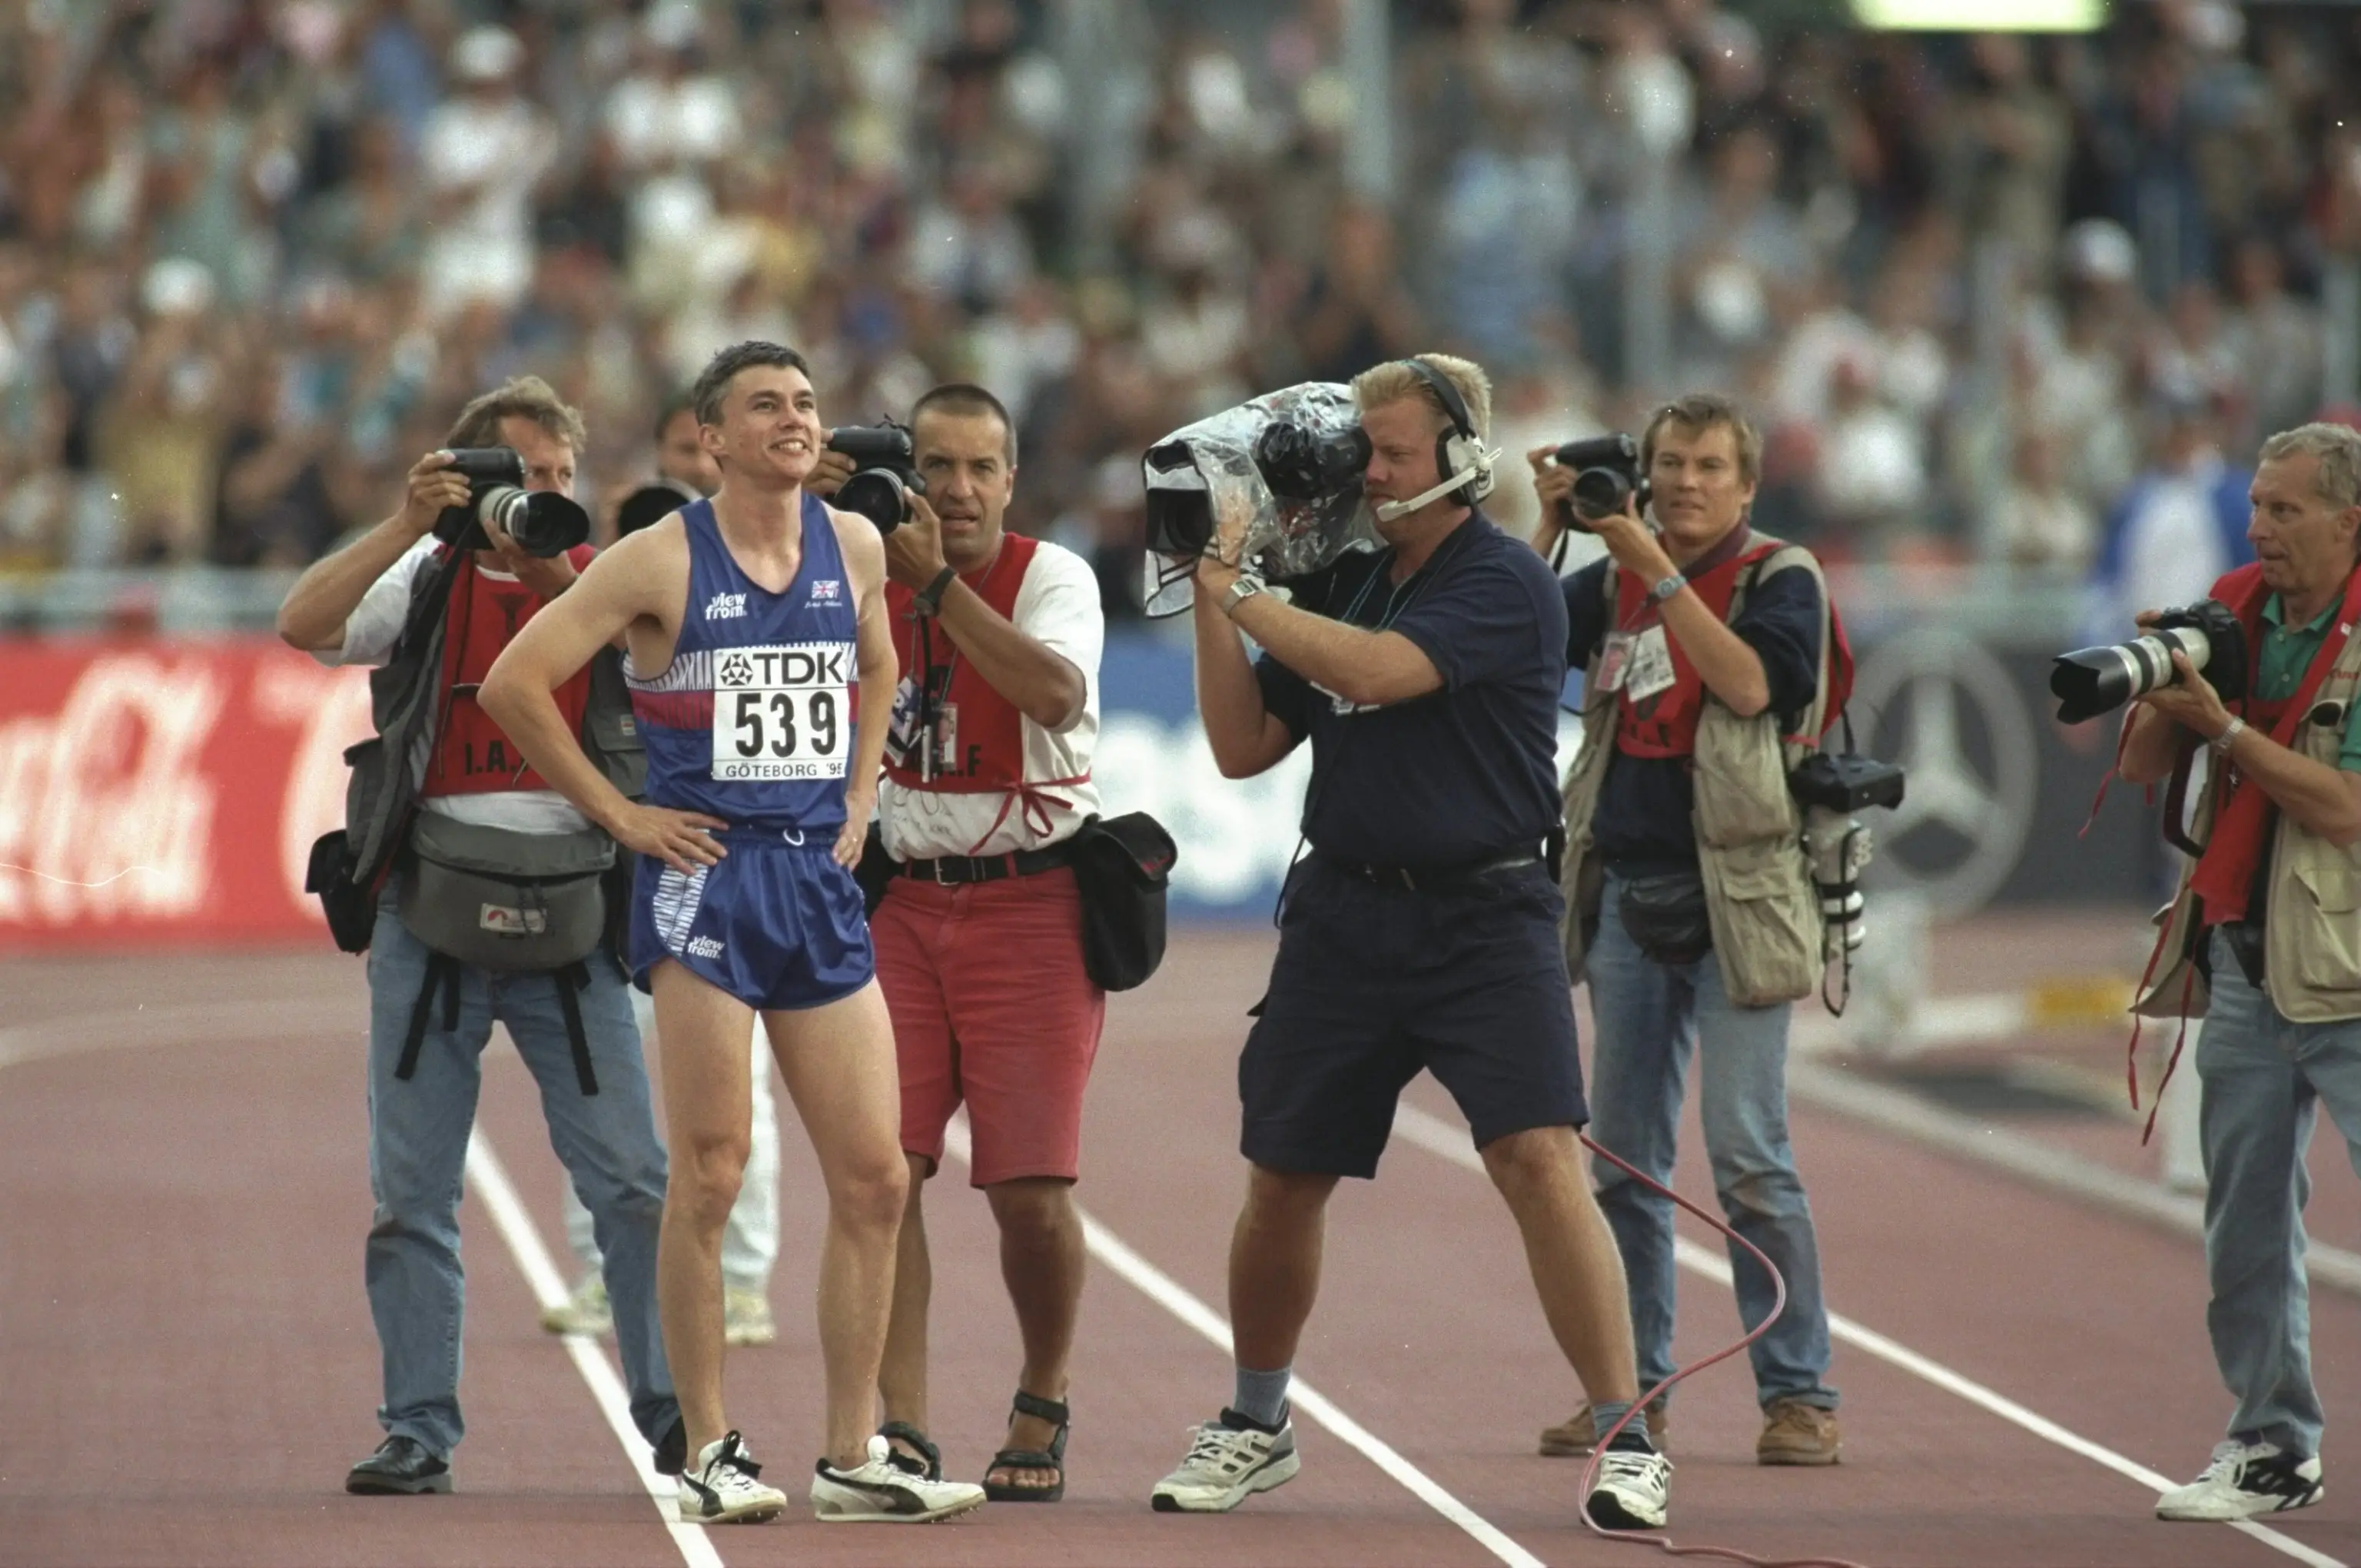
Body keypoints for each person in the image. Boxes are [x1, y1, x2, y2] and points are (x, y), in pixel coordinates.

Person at [478, 341, 985, 1526]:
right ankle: (709, 1446)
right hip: (706, 884)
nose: (798, 419)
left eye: (808, 402)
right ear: (712, 436)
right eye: (768, 405)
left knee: (874, 1179)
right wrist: (621, 817)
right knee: (710, 1173)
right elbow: (516, 681)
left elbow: (877, 660)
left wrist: (863, 796)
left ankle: (853, 1452)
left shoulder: (854, 543)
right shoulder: (659, 558)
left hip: (815, 880)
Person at [1161, 353, 1672, 1530]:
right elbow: (1241, 750)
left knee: (1539, 1159)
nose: (1366, 471)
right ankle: (1255, 1418)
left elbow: (1385, 676)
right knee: (1283, 1174)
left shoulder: (1502, 580)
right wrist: (1208, 589)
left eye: (1389, 452)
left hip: (1484, 914)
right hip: (1342, 910)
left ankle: (1627, 1432)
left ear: (1459, 458)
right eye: (1363, 450)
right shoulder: (1341, 579)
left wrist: (1245, 593)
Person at [274, 376, 682, 1495]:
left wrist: (545, 556)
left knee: (635, 1185)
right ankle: (418, 1426)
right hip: (428, 910)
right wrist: (416, 522)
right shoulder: (425, 574)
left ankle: (674, 1417)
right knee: (411, 1192)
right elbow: (304, 624)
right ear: (463, 479)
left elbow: (617, 655)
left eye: (558, 479)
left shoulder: (608, 587)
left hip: (577, 914)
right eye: (516, 480)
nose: (540, 499)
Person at [1531, 394, 1845, 1468]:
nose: (1684, 484)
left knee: (1751, 1155)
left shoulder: (1778, 576)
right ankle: (1635, 1394)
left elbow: (1754, 685)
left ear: (1747, 486)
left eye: (1710, 466)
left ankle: (1800, 1394)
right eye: (1668, 463)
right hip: (1626, 890)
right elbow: (1517, 631)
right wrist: (1548, 523)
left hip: (1743, 895)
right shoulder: (1611, 571)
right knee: (1620, 1161)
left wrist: (1651, 567)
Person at [823, 384, 1106, 1501]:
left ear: (1012, 479)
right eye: (935, 466)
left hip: (1031, 904)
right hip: (898, 905)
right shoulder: (845, 564)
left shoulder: (1053, 577)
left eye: (982, 468)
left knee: (1028, 1191)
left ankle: (1044, 1389)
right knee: (882, 1171)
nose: (956, 489)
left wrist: (932, 585)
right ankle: (902, 1423)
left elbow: (1056, 692)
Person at [2118, 421, 2361, 1523]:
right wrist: (2163, 683)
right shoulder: (2235, 605)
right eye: (2256, 504)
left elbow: (2344, 810)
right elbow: (2140, 769)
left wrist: (2221, 726)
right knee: (2245, 1226)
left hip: (2353, 971)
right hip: (2248, 959)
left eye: (2285, 510)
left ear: (2351, 521)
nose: (2257, 527)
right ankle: (2271, 1444)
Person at [544, 392, 785, 1351]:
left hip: (727, 860)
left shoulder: (774, 566)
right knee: (605, 1080)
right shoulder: (622, 565)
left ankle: (746, 1280)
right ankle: (606, 1274)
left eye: (701, 455)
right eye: (678, 452)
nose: (689, 471)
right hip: (615, 863)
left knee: (743, 1086)